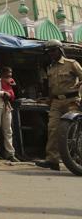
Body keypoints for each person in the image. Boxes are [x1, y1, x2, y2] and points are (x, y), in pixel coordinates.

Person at [36, 39, 82, 171]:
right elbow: (52, 88)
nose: (51, 53)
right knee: (53, 129)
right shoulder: (50, 68)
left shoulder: (71, 64)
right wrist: (47, 100)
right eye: (49, 52)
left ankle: (76, 158)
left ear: (60, 50)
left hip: (72, 100)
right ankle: (52, 160)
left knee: (73, 131)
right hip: (56, 102)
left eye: (53, 50)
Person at [0, 66, 18, 162]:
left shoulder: (3, 80)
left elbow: (11, 93)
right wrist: (2, 93)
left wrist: (7, 95)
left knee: (8, 130)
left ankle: (10, 153)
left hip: (6, 106)